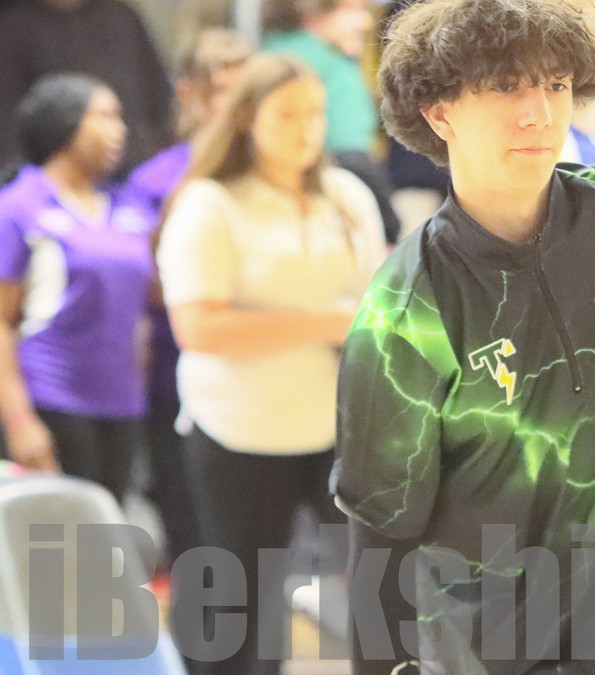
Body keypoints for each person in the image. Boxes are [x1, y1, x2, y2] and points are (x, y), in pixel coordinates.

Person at [334, 0, 595, 672]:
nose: (539, 113)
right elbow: (381, 531)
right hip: (490, 642)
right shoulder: (405, 307)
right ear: (439, 113)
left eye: (555, 84)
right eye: (505, 87)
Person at [156, 54, 386, 675]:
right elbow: (199, 329)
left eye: (315, 114)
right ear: (246, 119)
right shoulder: (209, 203)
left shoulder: (347, 196)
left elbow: (378, 305)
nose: (306, 128)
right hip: (241, 432)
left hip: (338, 430)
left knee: (382, 589)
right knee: (240, 611)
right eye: (287, 115)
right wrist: (326, 322)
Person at [123, 27, 254, 568]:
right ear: (190, 94)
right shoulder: (156, 180)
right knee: (195, 539)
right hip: (177, 375)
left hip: (265, 378)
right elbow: (142, 282)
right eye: (221, 90)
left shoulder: (276, 174)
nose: (233, 105)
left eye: (244, 90)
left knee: (257, 544)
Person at [0, 74, 153, 499]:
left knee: (104, 531)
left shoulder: (127, 206)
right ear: (63, 124)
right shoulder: (21, 205)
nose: (119, 130)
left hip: (122, 402)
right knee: (56, 536)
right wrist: (19, 420)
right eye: (104, 116)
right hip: (52, 398)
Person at [263, 0, 403, 244]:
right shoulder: (317, 67)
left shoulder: (273, 51)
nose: (365, 22)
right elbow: (351, 157)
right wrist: (389, 223)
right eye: (353, 10)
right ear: (312, 13)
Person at [0, 0, 174, 171]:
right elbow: (8, 119)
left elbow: (159, 96)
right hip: (56, 172)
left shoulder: (120, 16)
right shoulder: (14, 27)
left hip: (135, 164)